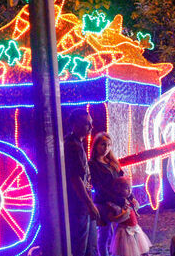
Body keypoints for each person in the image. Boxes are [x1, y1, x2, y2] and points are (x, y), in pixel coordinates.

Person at [89, 132, 131, 256]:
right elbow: (100, 188)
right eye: (103, 144)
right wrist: (119, 200)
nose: (106, 148)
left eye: (108, 145)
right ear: (96, 146)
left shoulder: (112, 162)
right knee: (104, 236)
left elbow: (123, 181)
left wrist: (130, 197)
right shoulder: (93, 165)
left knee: (117, 235)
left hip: (118, 202)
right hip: (103, 204)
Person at [65, 109, 100, 256]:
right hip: (79, 204)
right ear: (74, 124)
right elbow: (75, 178)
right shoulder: (73, 146)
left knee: (89, 244)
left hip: (82, 203)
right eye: (86, 124)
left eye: (91, 124)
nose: (90, 128)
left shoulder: (76, 143)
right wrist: (89, 204)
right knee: (81, 245)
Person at [106, 177, 152, 256]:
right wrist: (122, 214)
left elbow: (135, 209)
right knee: (126, 250)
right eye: (127, 188)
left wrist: (135, 204)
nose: (130, 190)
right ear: (119, 189)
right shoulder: (116, 203)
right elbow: (112, 218)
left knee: (138, 247)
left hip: (134, 227)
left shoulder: (129, 200)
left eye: (130, 188)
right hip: (124, 230)